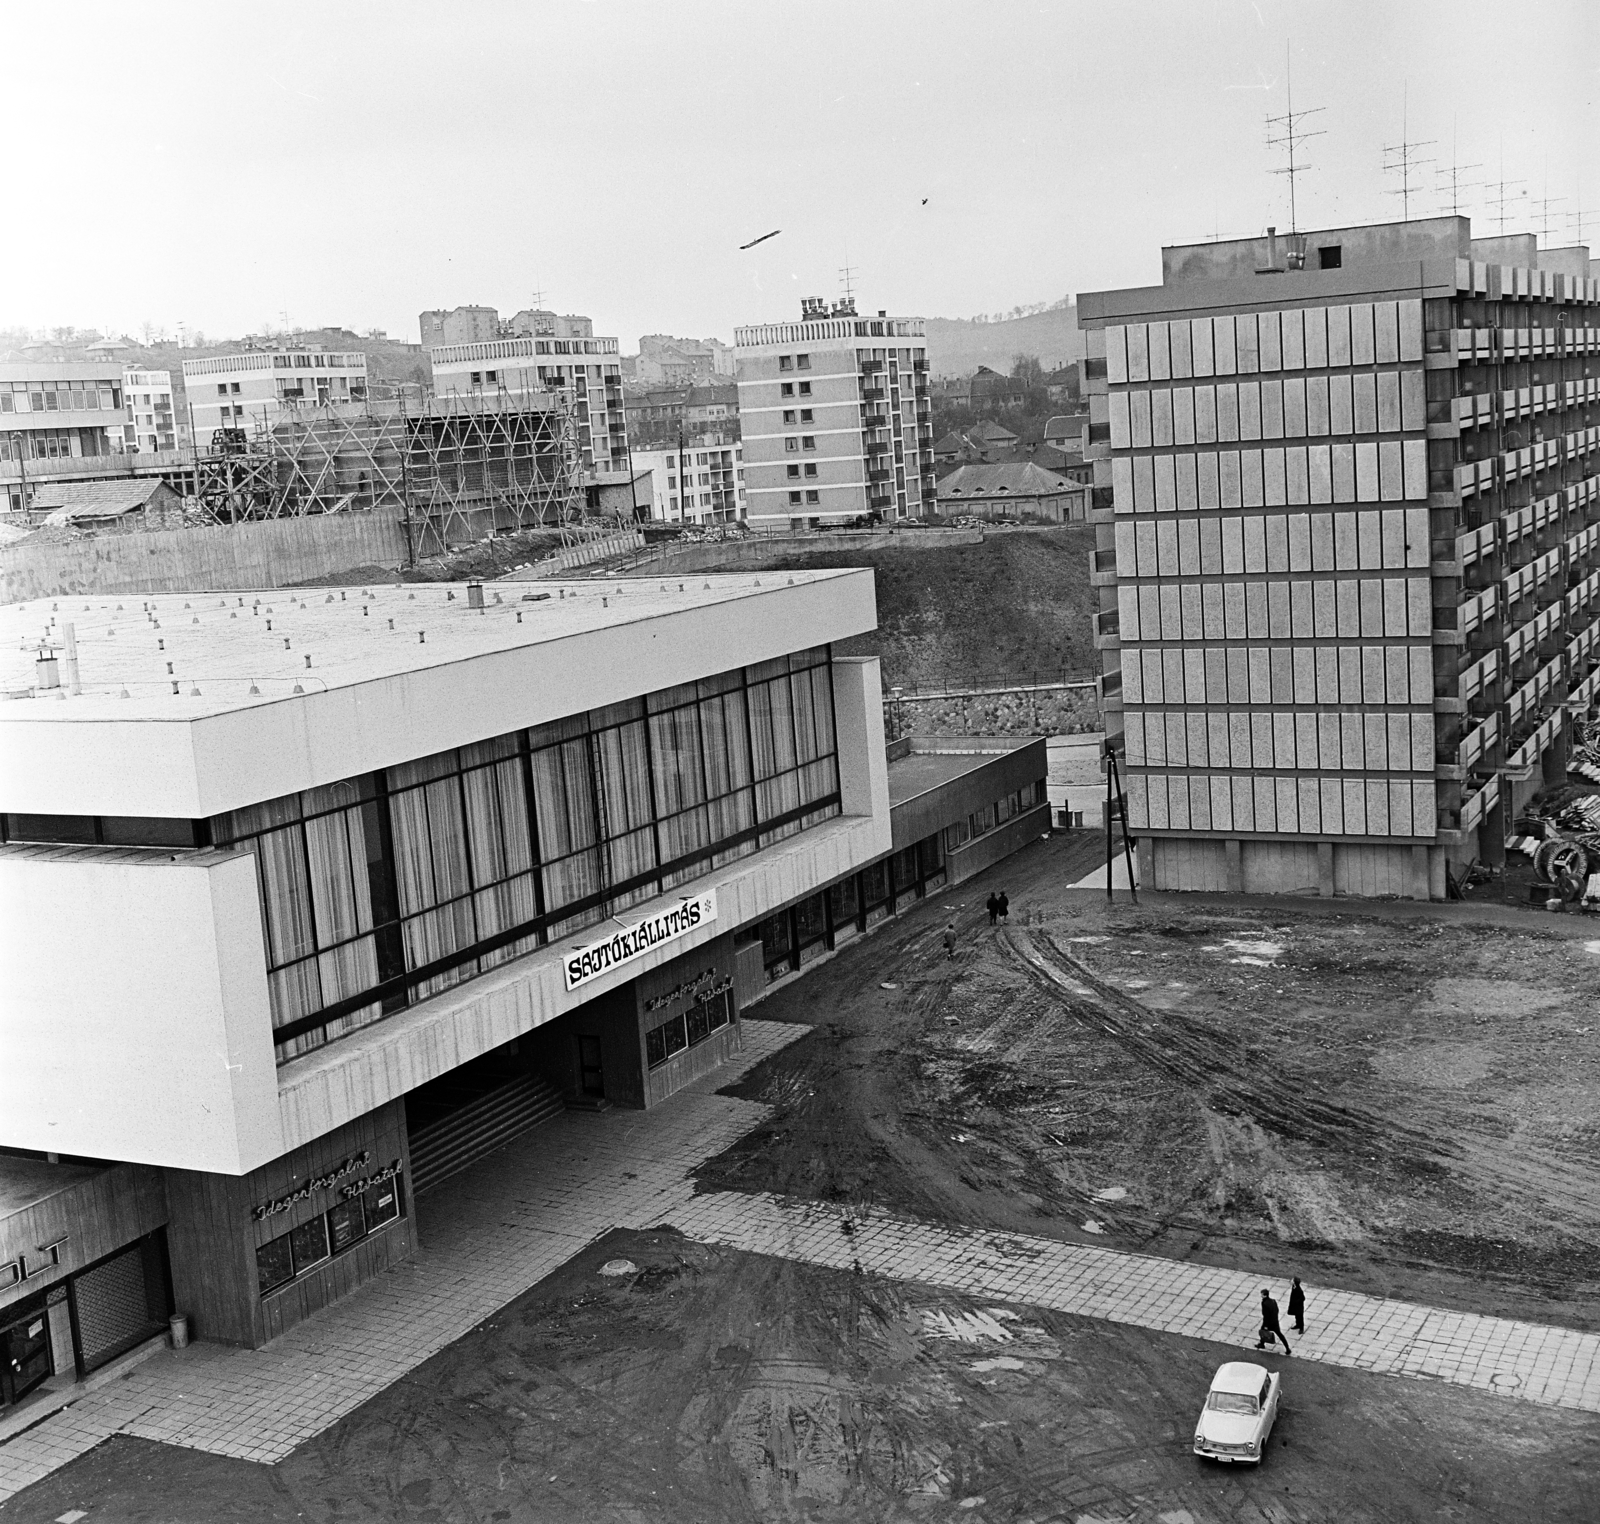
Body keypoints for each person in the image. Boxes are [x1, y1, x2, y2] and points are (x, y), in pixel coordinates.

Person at [1256, 1288, 1291, 1354]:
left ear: (1265, 1295)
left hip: (1268, 1323)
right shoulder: (1273, 1301)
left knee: (1262, 1331)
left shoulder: (1264, 1303)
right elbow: (1277, 1310)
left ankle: (1262, 1344)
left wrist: (1266, 1325)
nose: (1261, 1295)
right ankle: (1287, 1348)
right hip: (1275, 1321)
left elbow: (1266, 1315)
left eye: (1262, 1294)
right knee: (1280, 1334)